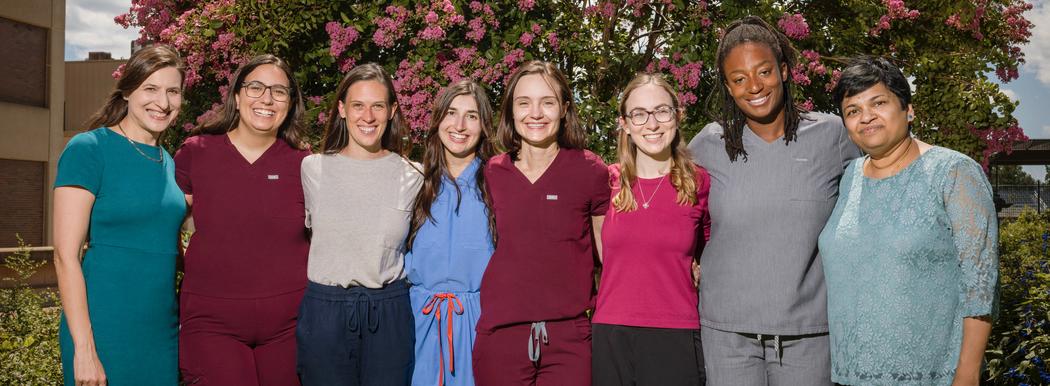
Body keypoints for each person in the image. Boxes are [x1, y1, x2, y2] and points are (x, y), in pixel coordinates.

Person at [686, 16, 861, 385]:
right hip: (727, 336)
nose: (754, 86)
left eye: (763, 71)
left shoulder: (832, 135)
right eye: (739, 79)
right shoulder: (707, 144)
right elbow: (677, 211)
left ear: (783, 70)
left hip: (810, 336)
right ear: (728, 88)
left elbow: (882, 178)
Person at [819, 56, 998, 386]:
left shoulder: (953, 172)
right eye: (852, 110)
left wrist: (968, 373)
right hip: (850, 375)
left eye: (879, 102)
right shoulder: (850, 178)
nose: (866, 117)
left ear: (908, 110)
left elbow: (980, 283)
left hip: (932, 376)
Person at [53, 44, 186, 386]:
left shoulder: (169, 163)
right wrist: (84, 349)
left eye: (173, 91)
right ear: (127, 91)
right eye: (151, 89)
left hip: (162, 334)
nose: (163, 102)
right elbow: (65, 256)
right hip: (102, 330)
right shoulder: (89, 149)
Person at [173, 54, 310, 386]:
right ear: (236, 95)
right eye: (256, 87)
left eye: (279, 91)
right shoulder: (196, 152)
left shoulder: (307, 164)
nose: (267, 98)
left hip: (289, 326)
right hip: (211, 323)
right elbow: (163, 224)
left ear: (290, 104)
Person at [473, 60, 610, 385]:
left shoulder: (590, 171)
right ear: (511, 111)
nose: (535, 113)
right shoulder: (490, 173)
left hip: (569, 339)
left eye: (547, 102)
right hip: (501, 336)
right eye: (524, 103)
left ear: (564, 108)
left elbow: (610, 256)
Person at [296, 63, 423, 386]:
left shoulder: (414, 175)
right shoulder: (313, 169)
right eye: (358, 105)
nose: (368, 117)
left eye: (377, 106)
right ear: (341, 109)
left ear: (392, 110)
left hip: (388, 312)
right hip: (326, 314)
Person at [591, 73, 710, 386]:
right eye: (639, 114)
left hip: (675, 333)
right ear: (625, 124)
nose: (652, 124)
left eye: (661, 111)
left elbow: (711, 253)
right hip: (611, 333)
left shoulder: (700, 183)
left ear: (677, 116)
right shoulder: (605, 183)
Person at [404, 79, 496, 386]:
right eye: (451, 113)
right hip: (418, 322)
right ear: (438, 119)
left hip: (477, 324)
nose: (459, 125)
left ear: (483, 125)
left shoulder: (498, 184)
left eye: (471, 116)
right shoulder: (414, 181)